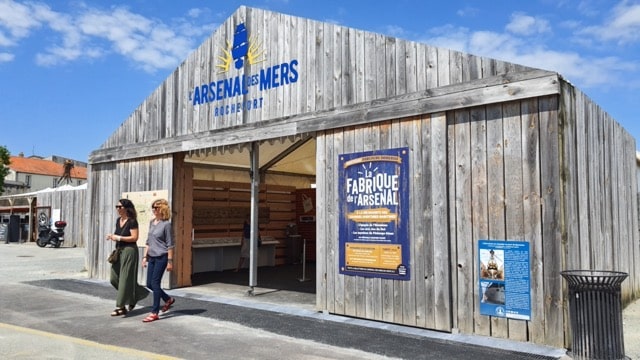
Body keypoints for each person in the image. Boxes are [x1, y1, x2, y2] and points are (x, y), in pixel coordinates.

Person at [106, 199, 149, 316]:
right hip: (119, 251)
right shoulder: (118, 221)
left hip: (129, 251)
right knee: (114, 278)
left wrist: (118, 238)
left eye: (120, 207)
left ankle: (120, 307)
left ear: (126, 208)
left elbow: (135, 238)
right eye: (117, 206)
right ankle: (137, 294)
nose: (117, 209)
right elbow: (118, 234)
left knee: (125, 279)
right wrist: (112, 237)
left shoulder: (132, 221)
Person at [141, 198, 176, 323]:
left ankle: (154, 312)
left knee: (155, 283)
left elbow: (170, 244)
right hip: (152, 257)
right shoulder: (152, 222)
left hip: (162, 257)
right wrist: (145, 257)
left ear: (163, 209)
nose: (154, 210)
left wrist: (170, 261)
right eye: (153, 207)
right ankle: (168, 299)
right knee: (149, 284)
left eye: (157, 207)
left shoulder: (166, 224)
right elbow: (148, 241)